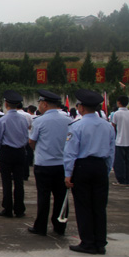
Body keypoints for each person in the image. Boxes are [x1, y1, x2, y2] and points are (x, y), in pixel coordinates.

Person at [64, 89, 115, 255]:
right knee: (100, 206)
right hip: (100, 166)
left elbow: (71, 152)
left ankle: (87, 242)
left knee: (84, 205)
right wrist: (106, 170)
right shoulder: (107, 126)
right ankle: (100, 243)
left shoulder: (77, 126)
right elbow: (111, 151)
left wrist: (68, 174)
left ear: (81, 108)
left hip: (83, 167)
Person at [28, 90, 72, 236]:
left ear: (45, 104)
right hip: (62, 164)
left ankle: (40, 227)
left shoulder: (39, 121)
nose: (39, 106)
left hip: (44, 164)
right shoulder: (68, 121)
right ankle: (60, 226)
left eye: (40, 103)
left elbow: (32, 141)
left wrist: (40, 151)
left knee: (43, 197)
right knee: (61, 197)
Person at [0, 90, 29, 218]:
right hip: (20, 152)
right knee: (19, 182)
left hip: (7, 152)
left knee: (6, 182)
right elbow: (26, 137)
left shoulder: (3, 120)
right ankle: (19, 209)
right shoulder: (23, 119)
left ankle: (7, 208)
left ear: (6, 104)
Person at [112, 95, 129, 186]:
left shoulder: (116, 114)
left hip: (119, 140)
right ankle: (127, 178)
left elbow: (113, 127)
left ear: (119, 102)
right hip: (128, 141)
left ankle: (121, 179)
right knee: (127, 161)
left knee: (119, 162)